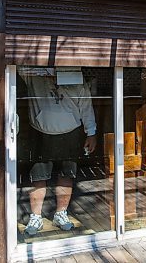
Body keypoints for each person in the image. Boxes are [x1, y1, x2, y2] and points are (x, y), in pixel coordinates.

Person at [19, 67, 97, 235]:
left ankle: (61, 214)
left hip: (71, 131)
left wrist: (91, 132)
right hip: (40, 130)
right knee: (39, 177)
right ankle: (36, 217)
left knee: (66, 175)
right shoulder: (33, 72)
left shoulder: (74, 73)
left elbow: (85, 104)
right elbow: (18, 65)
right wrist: (44, 71)